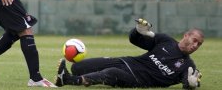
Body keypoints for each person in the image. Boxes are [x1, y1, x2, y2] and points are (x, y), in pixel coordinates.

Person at [55, 18, 204, 89]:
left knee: (112, 72)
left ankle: (68, 80)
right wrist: (137, 31)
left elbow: (187, 83)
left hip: (138, 80)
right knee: (78, 67)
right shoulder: (166, 40)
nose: (195, 45)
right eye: (194, 40)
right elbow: (135, 40)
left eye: (199, 44)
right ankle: (74, 76)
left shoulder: (188, 66)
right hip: (126, 62)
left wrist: (191, 85)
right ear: (186, 35)